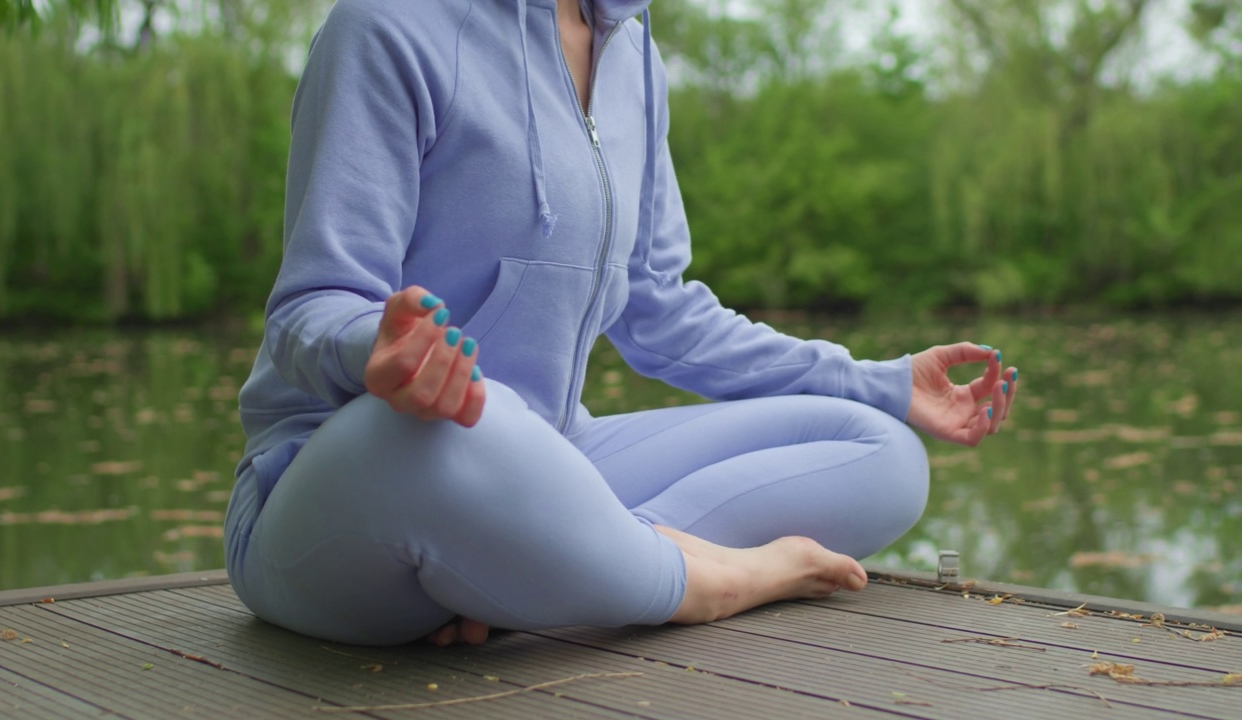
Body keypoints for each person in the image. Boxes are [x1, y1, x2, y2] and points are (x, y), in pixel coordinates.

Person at [223, 0, 1019, 648]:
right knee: (474, 420)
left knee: (881, 451)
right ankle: (704, 582)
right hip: (351, 481)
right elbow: (311, 306)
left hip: (553, 454)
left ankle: (537, 569)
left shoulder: (634, 56)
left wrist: (880, 382)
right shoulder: (387, 26)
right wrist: (376, 347)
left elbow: (662, 314)